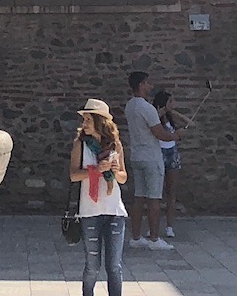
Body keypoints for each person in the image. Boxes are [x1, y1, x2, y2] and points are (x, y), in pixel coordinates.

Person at [70, 99, 128, 296]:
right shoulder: (80, 145)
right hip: (90, 211)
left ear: (99, 122)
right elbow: (73, 175)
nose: (84, 124)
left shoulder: (115, 145)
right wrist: (95, 170)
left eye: (88, 119)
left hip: (114, 211)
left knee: (114, 266)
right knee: (92, 266)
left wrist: (115, 170)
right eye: (84, 120)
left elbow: (123, 177)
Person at [122, 71, 173, 249]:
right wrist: (177, 135)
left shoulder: (130, 106)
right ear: (141, 85)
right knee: (154, 199)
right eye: (147, 83)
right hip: (151, 158)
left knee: (139, 197)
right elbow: (160, 134)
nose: (150, 86)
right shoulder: (147, 108)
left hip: (137, 155)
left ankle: (136, 237)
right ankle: (154, 238)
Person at [153, 89, 183, 242]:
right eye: (170, 101)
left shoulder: (171, 117)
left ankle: (170, 226)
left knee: (171, 191)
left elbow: (187, 125)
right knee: (156, 193)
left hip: (172, 153)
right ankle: (154, 226)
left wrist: (173, 112)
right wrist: (163, 110)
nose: (173, 104)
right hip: (159, 153)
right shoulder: (155, 116)